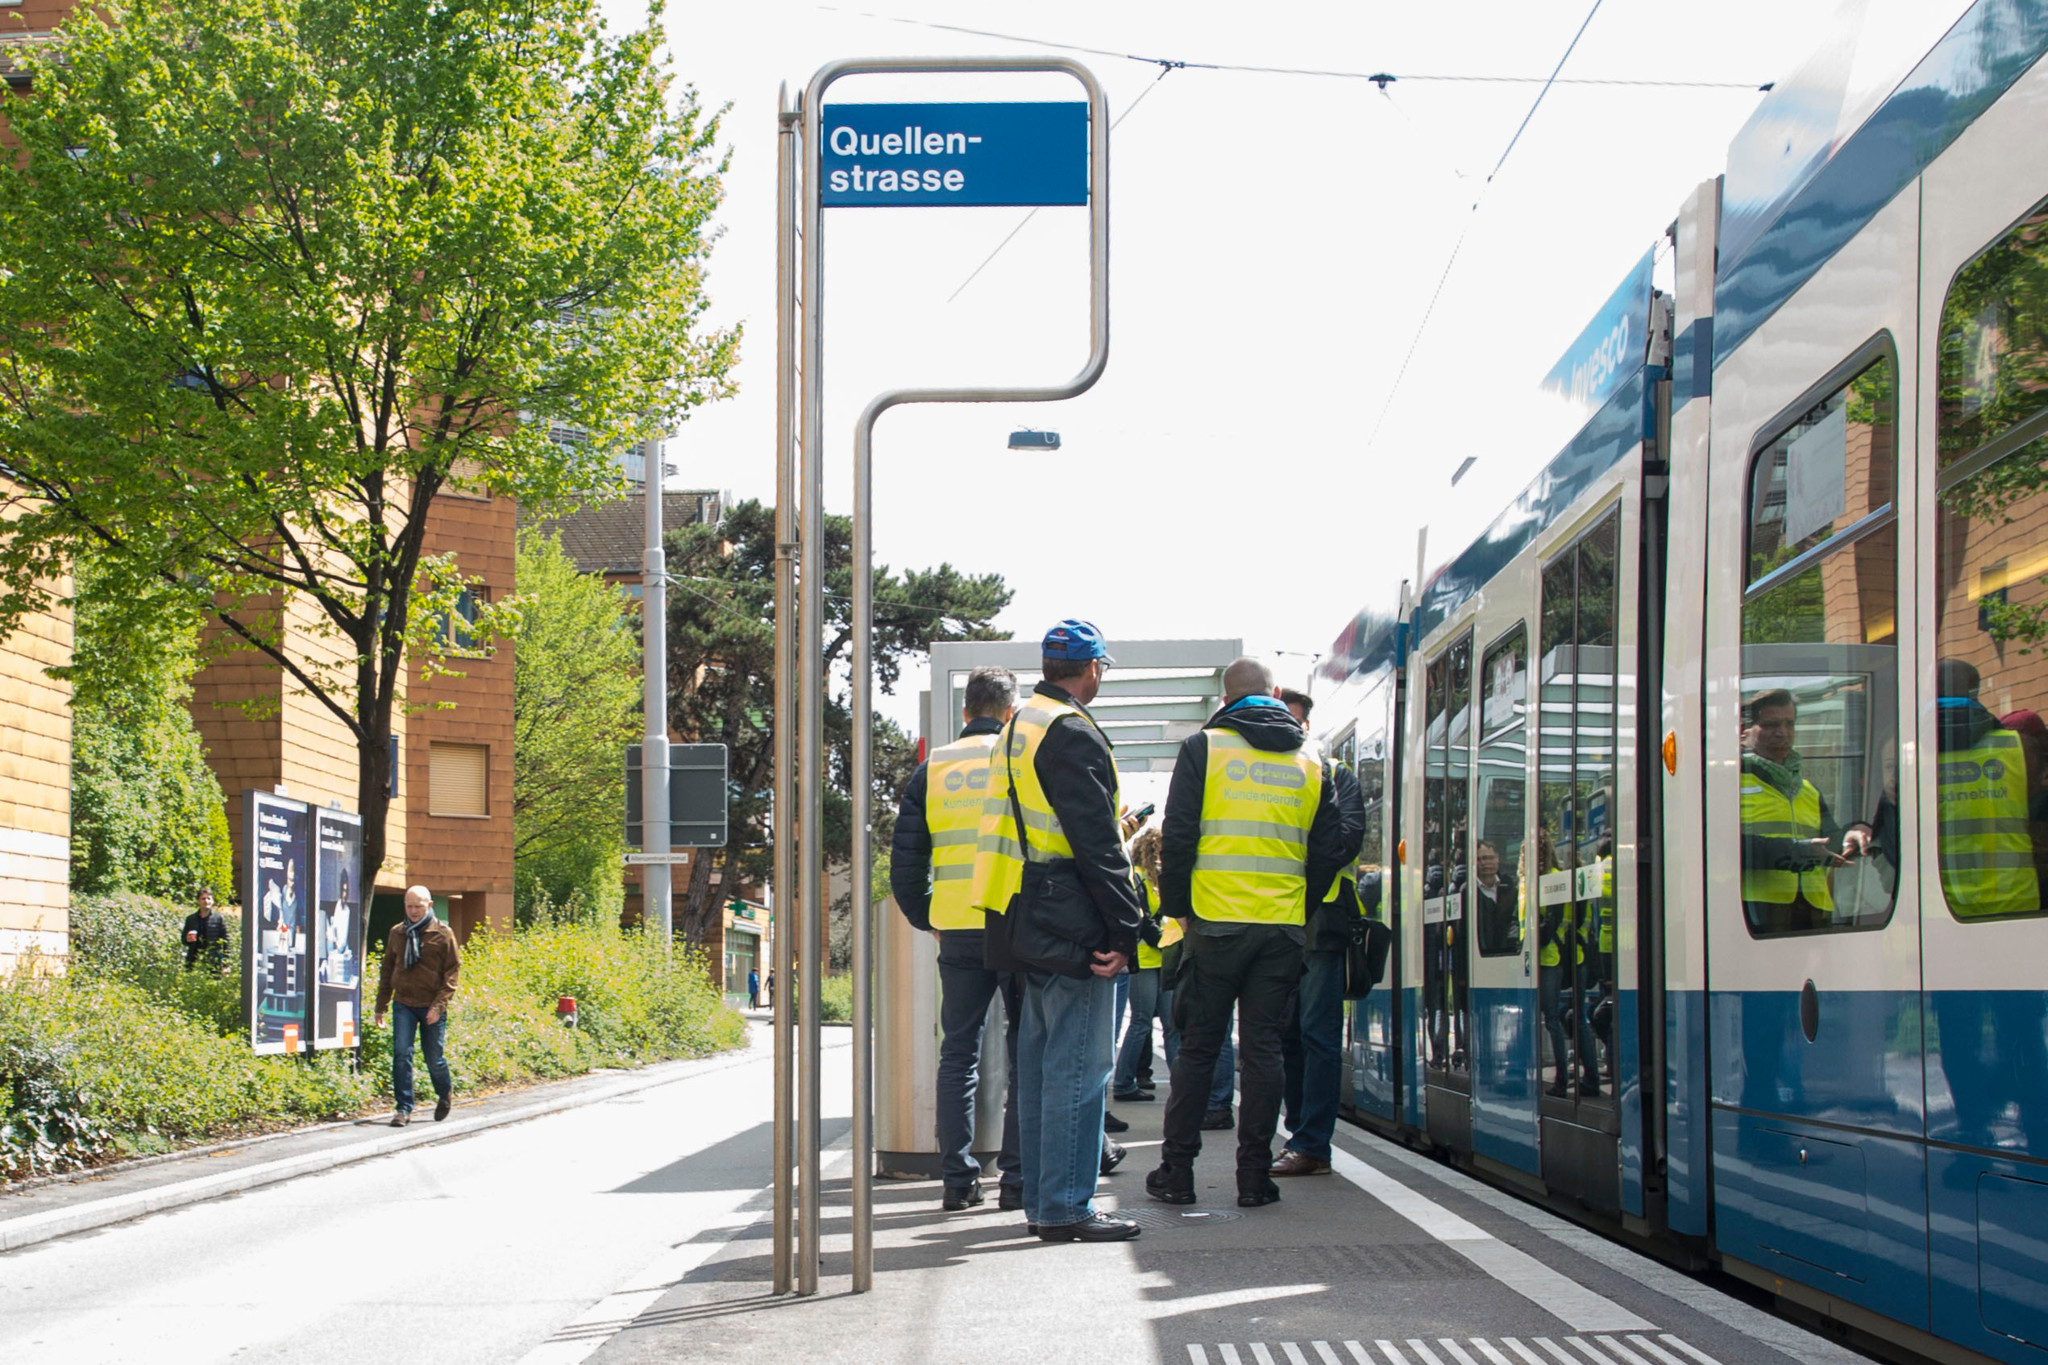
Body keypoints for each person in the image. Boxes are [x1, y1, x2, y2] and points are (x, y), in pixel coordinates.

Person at [1148, 657, 1358, 1209]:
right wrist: (1299, 907)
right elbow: (1328, 849)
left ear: (1224, 700)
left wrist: (1180, 910)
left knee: (1198, 1050)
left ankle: (1177, 1172)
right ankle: (1254, 1178)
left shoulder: (1205, 750)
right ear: (1277, 692)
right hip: (1282, 929)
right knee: (1263, 1051)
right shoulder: (1313, 759)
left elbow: (1179, 836)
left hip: (1213, 925)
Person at [969, 621, 1146, 1243]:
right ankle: (1066, 1206)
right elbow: (1097, 842)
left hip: (1022, 911)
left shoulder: (1019, 724)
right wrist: (1126, 929)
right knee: (1078, 1066)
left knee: (1044, 1065)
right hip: (1072, 916)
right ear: (1093, 667)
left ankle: (1046, 1201)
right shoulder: (1071, 731)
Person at [892, 665, 1024, 1213]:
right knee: (1026, 1050)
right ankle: (1016, 1179)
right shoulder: (1023, 762)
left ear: (965, 712)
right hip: (1018, 927)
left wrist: (928, 916)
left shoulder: (934, 768)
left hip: (960, 929)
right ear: (1010, 712)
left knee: (959, 1054)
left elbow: (905, 862)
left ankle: (957, 1179)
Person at [1275, 686, 1365, 1178]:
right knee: (1287, 1036)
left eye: (1295, 720)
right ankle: (1299, 1136)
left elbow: (1347, 840)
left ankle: (1312, 1144)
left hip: (1320, 923)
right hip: (1274, 920)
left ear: (1307, 727)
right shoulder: (1262, 776)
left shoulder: (1335, 774)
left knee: (1317, 1036)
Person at [1738, 688, 1872, 935]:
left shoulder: (1807, 789)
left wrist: (1853, 832)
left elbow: (1829, 838)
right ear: (1742, 731)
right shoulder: (1729, 786)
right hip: (1755, 915)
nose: (1783, 732)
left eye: (1790, 724)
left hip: (1813, 912)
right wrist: (1797, 852)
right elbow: (1727, 848)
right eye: (1771, 724)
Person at [374, 885, 460, 1126]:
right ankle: (403, 1108)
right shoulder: (397, 933)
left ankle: (444, 1093)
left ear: (429, 906)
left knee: (434, 1058)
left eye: (418, 906)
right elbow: (387, 970)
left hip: (432, 1005)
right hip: (404, 1003)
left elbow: (452, 972)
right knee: (402, 1053)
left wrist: (439, 1005)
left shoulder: (443, 934)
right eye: (409, 906)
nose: (413, 911)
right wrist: (381, 1005)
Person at [1114, 826, 1179, 1101]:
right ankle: (1124, 1082)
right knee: (1143, 1021)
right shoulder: (1142, 878)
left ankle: (1180, 1083)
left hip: (1157, 956)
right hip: (1148, 955)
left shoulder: (1151, 879)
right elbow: (1144, 919)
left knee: (1167, 1022)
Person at [182, 887, 229, 971]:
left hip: (213, 961)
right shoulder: (191, 919)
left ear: (212, 901)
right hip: (194, 960)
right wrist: (187, 939)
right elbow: (183, 940)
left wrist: (225, 964)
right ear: (198, 901)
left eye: (209, 898)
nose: (206, 901)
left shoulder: (219, 918)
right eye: (203, 898)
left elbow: (226, 941)